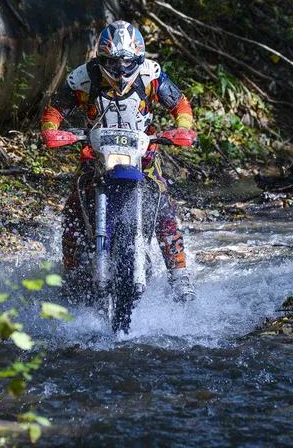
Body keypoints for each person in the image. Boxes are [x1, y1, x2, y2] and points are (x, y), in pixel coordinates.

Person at [40, 20, 196, 302]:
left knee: (164, 205)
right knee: (74, 207)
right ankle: (69, 272)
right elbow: (54, 109)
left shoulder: (152, 75)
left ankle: (180, 275)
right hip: (96, 155)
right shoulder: (83, 77)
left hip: (143, 155)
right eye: (113, 63)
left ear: (138, 59)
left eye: (127, 63)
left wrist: (183, 128)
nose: (121, 70)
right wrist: (52, 131)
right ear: (101, 59)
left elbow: (180, 104)